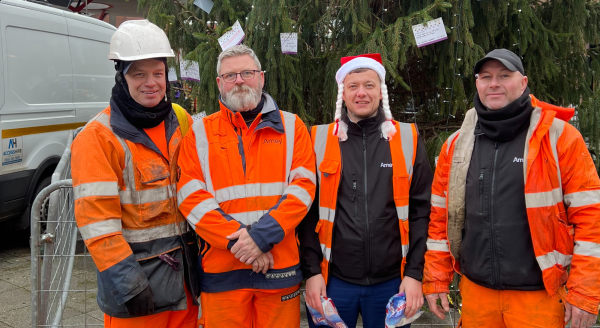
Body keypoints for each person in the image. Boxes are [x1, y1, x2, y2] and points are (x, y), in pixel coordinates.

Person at [423, 48, 600, 328]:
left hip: (539, 297)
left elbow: (592, 220)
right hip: (477, 295)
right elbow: (441, 219)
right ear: (477, 84)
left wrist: (585, 293)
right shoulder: (456, 145)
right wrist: (435, 278)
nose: (494, 83)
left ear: (523, 82)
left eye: (504, 75)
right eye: (486, 77)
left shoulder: (560, 138)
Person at [176, 44, 316, 328]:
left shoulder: (293, 127)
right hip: (222, 271)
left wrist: (261, 238)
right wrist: (244, 243)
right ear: (219, 83)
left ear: (261, 77)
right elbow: (190, 197)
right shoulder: (199, 133)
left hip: (279, 270)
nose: (239, 80)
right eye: (230, 76)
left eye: (247, 73)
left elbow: (303, 190)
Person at [72, 20, 199, 328]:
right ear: (121, 77)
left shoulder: (180, 121)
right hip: (140, 289)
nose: (151, 83)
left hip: (186, 285)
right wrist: (129, 284)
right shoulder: (98, 137)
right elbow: (97, 223)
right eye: (139, 74)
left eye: (158, 73)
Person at [299, 53, 433, 328]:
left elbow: (422, 212)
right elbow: (307, 212)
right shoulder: (318, 139)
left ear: (380, 91)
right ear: (343, 94)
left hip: (392, 283)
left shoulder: (407, 137)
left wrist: (415, 274)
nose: (361, 93)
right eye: (353, 86)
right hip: (332, 282)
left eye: (369, 85)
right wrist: (312, 272)